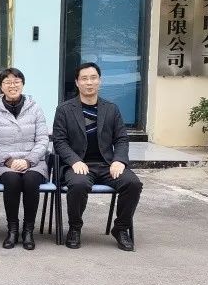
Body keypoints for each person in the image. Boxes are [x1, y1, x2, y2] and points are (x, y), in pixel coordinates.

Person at [52, 62, 143, 252]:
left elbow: (121, 138)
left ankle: (121, 228)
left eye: (93, 78)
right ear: (77, 82)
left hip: (107, 164)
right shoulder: (64, 109)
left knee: (133, 183)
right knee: (78, 184)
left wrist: (119, 160)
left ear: (100, 81)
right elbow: (59, 141)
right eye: (84, 79)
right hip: (78, 164)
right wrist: (74, 160)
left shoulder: (111, 109)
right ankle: (75, 228)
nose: (89, 82)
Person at [0, 67, 49, 251]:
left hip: (34, 162)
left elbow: (43, 140)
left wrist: (28, 161)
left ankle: (28, 230)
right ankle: (12, 229)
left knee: (30, 179)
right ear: (0, 86)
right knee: (12, 179)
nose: (12, 85)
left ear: (23, 84)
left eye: (16, 81)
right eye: (7, 82)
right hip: (4, 163)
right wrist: (8, 161)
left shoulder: (35, 109)